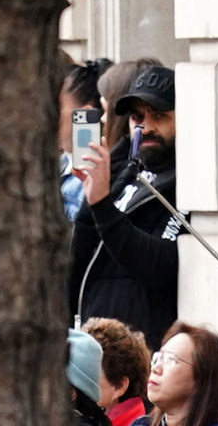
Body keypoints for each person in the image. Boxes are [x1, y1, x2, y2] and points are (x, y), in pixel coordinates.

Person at [68, 60, 180, 343]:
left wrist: (102, 204)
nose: (146, 127)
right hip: (93, 339)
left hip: (141, 346)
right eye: (137, 118)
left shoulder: (182, 183)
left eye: (159, 116)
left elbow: (158, 263)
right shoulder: (126, 171)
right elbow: (79, 255)